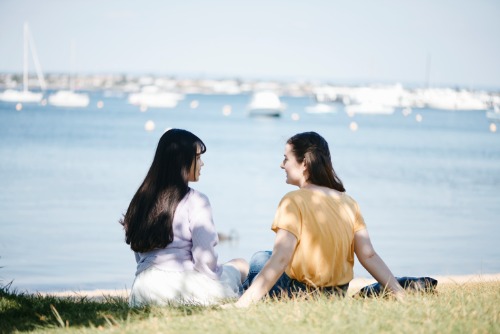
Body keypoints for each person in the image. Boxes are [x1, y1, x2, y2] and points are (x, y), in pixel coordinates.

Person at [232, 131, 404, 307]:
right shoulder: (349, 202)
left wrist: (242, 305)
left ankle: (244, 293)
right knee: (267, 257)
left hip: (299, 293)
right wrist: (399, 293)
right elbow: (368, 255)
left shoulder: (293, 200)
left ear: (304, 163)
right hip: (336, 294)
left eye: (286, 159)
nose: (281, 165)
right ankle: (398, 284)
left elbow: (281, 258)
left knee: (260, 259)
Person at [121, 129, 248, 306]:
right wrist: (216, 282)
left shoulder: (141, 200)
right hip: (183, 287)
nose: (202, 164)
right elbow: (205, 261)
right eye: (197, 158)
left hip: (144, 291)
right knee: (240, 265)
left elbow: (140, 254)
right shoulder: (196, 200)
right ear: (181, 161)